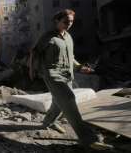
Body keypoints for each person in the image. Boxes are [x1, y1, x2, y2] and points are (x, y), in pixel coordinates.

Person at [29, 9, 112, 150]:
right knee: (68, 100)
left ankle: (48, 122)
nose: (69, 24)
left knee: (58, 102)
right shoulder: (48, 37)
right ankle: (87, 139)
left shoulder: (68, 37)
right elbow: (34, 52)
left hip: (67, 75)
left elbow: (71, 57)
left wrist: (79, 67)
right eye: (66, 21)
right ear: (57, 21)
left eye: (72, 22)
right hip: (52, 75)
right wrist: (32, 70)